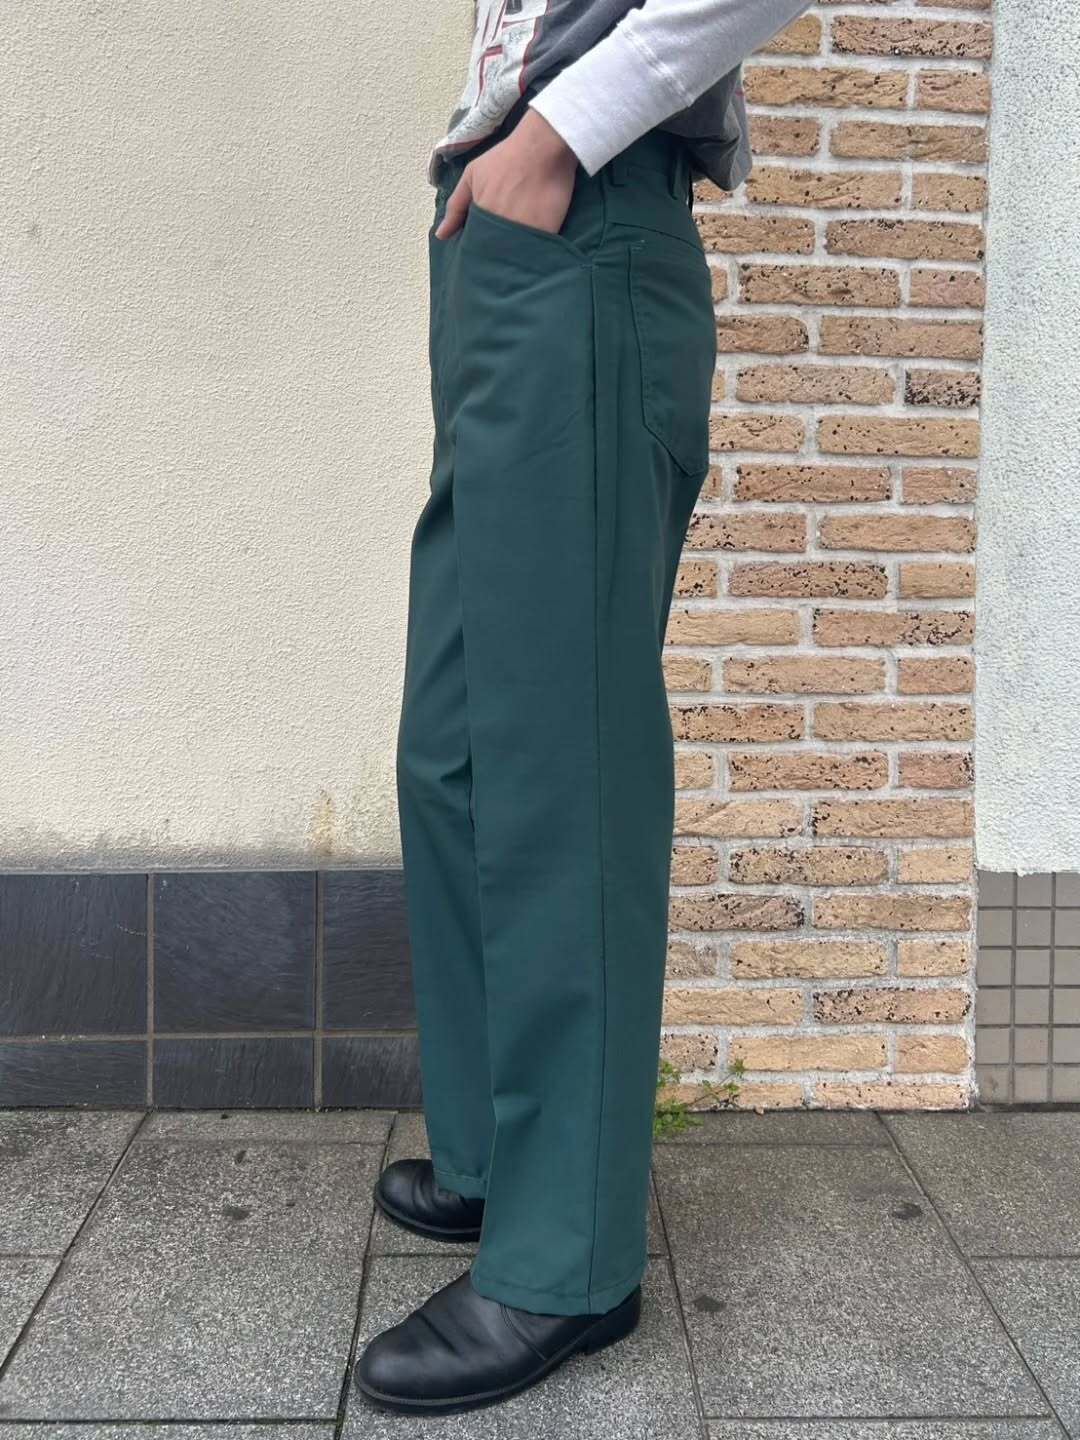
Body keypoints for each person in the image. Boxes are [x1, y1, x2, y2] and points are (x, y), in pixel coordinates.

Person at [354, 0, 811, 1417]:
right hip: (507, 244)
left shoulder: (574, 155)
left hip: (587, 222)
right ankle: (504, 1157)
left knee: (565, 763)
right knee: (455, 752)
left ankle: (570, 1259)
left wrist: (558, 131)